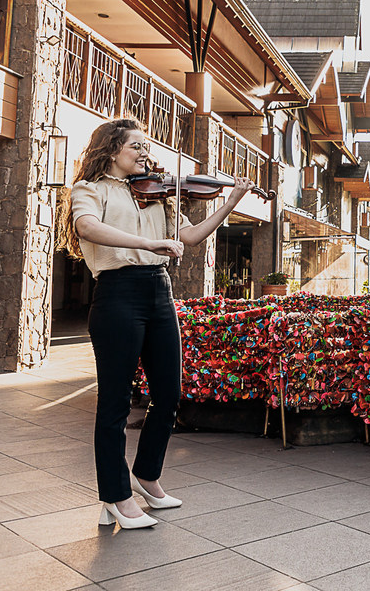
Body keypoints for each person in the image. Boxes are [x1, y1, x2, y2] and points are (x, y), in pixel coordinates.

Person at [63, 118, 252, 530]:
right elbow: (87, 227)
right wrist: (149, 243)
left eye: (147, 146)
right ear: (112, 150)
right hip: (116, 293)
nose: (144, 153)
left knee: (169, 393)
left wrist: (231, 200)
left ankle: (146, 475)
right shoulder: (89, 190)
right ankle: (115, 495)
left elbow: (192, 234)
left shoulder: (159, 194)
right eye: (136, 146)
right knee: (113, 403)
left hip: (158, 291)